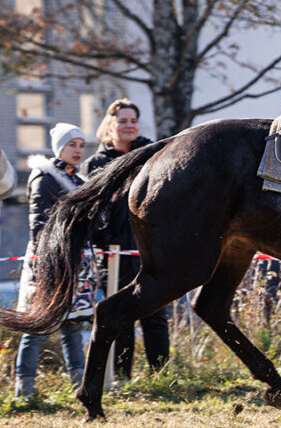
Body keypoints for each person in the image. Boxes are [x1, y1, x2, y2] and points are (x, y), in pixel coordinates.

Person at [86, 98, 170, 379]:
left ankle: (161, 376)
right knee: (122, 315)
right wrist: (105, 240)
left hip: (152, 246)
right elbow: (93, 211)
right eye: (123, 121)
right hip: (115, 250)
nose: (129, 126)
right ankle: (123, 378)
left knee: (156, 314)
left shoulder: (152, 153)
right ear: (110, 124)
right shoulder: (97, 163)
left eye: (133, 121)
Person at [14, 124, 90, 402]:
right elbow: (39, 224)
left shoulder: (80, 182)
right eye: (72, 145)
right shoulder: (44, 178)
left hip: (77, 263)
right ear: (59, 147)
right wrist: (51, 260)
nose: (78, 150)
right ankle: (24, 393)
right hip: (48, 263)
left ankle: (80, 388)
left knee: (72, 327)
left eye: (81, 145)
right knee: (38, 326)